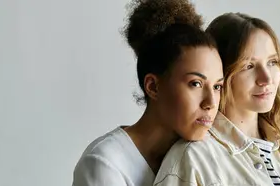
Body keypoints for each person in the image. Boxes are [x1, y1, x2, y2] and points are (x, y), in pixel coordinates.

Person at [154, 12, 280, 186]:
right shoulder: (193, 159)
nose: (266, 79)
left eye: (272, 62)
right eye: (249, 66)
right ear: (220, 73)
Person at [71, 0, 223, 185]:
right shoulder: (105, 164)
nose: (211, 103)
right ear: (153, 86)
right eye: (196, 84)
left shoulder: (204, 152)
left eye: (217, 87)